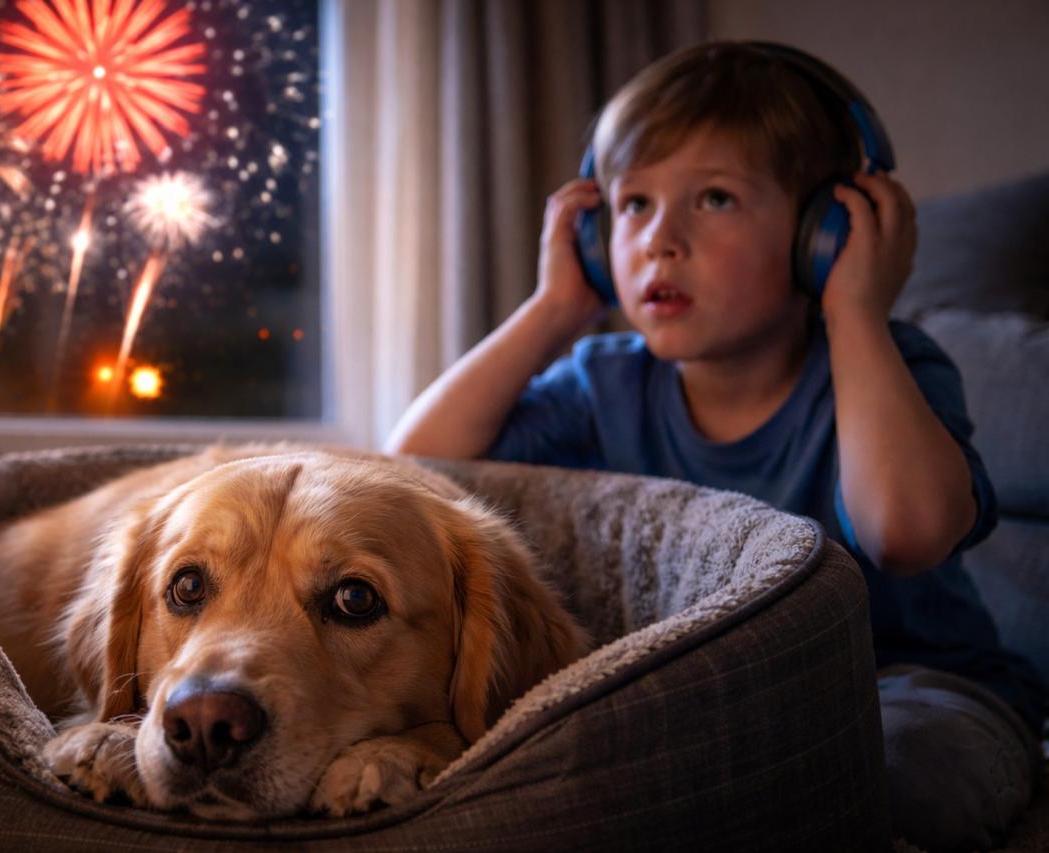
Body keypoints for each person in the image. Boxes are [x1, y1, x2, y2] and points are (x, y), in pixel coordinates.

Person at [385, 41, 1044, 852]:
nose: (660, 239)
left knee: (899, 771)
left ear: (823, 233)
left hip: (912, 686)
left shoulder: (891, 366)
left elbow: (903, 532)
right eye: (632, 206)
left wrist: (856, 314)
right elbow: (418, 465)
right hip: (711, 700)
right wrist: (555, 309)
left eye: (716, 199)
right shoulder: (605, 381)